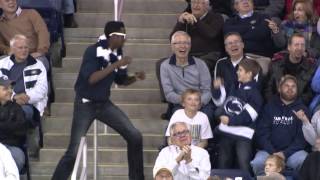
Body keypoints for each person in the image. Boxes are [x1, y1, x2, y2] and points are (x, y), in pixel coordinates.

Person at [51, 21, 145, 180]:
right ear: (113, 36)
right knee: (73, 151)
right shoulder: (93, 51)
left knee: (135, 136)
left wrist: (134, 78)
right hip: (85, 104)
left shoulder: (117, 54)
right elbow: (92, 79)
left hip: (104, 104)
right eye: (123, 36)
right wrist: (116, 64)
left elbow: (121, 81)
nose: (125, 39)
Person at [0, 34, 48, 157]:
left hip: (28, 104)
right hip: (5, 101)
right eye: (20, 48)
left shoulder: (38, 65)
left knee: (20, 113)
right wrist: (13, 97)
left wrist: (26, 97)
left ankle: (14, 146)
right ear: (13, 49)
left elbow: (42, 90)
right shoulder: (2, 64)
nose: (24, 50)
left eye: (26, 47)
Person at [251, 75, 309, 176]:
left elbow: (302, 138)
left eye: (293, 86)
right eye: (286, 86)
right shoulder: (269, 107)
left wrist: (285, 153)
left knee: (304, 160)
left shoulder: (302, 109)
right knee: (258, 163)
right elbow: (261, 134)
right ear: (279, 88)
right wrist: (273, 153)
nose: (290, 89)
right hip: (269, 152)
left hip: (292, 154)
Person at [212, 58, 263, 172]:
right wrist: (217, 89)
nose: (237, 72)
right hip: (226, 132)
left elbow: (250, 115)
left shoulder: (255, 93)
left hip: (243, 135)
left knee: (243, 164)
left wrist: (230, 120)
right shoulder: (234, 87)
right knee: (223, 163)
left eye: (240, 70)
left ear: (249, 74)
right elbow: (220, 102)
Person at [160, 31, 214, 121]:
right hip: (180, 103)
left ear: (190, 46)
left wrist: (197, 103)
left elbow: (207, 90)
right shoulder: (165, 66)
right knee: (179, 118)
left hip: (201, 103)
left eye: (186, 43)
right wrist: (186, 102)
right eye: (178, 43)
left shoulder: (201, 64)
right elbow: (169, 94)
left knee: (207, 116)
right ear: (172, 46)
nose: (183, 46)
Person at [171, 0, 224, 73]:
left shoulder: (216, 17)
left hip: (209, 55)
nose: (196, 5)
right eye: (193, 2)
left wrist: (196, 20)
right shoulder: (186, 19)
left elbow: (211, 34)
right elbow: (172, 39)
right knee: (161, 65)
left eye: (199, 2)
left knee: (196, 65)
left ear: (206, 6)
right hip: (188, 55)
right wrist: (180, 23)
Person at [264, 33, 316, 105]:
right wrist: (274, 103)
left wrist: (294, 105)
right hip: (276, 105)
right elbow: (268, 88)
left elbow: (309, 93)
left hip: (298, 106)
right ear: (289, 47)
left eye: (302, 45)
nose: (300, 48)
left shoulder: (311, 67)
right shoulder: (276, 64)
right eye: (296, 45)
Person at [0, 0, 50, 70]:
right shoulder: (1, 24)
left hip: (35, 55)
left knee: (37, 65)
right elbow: (1, 45)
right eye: (7, 0)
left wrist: (40, 51)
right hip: (14, 57)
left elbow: (43, 32)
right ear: (0, 5)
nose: (11, 2)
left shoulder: (31, 13)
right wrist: (8, 50)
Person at [0, 77, 28, 172]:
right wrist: (9, 126)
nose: (10, 91)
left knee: (18, 159)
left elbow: (21, 130)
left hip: (11, 147)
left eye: (11, 88)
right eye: (5, 89)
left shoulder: (17, 108)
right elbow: (13, 128)